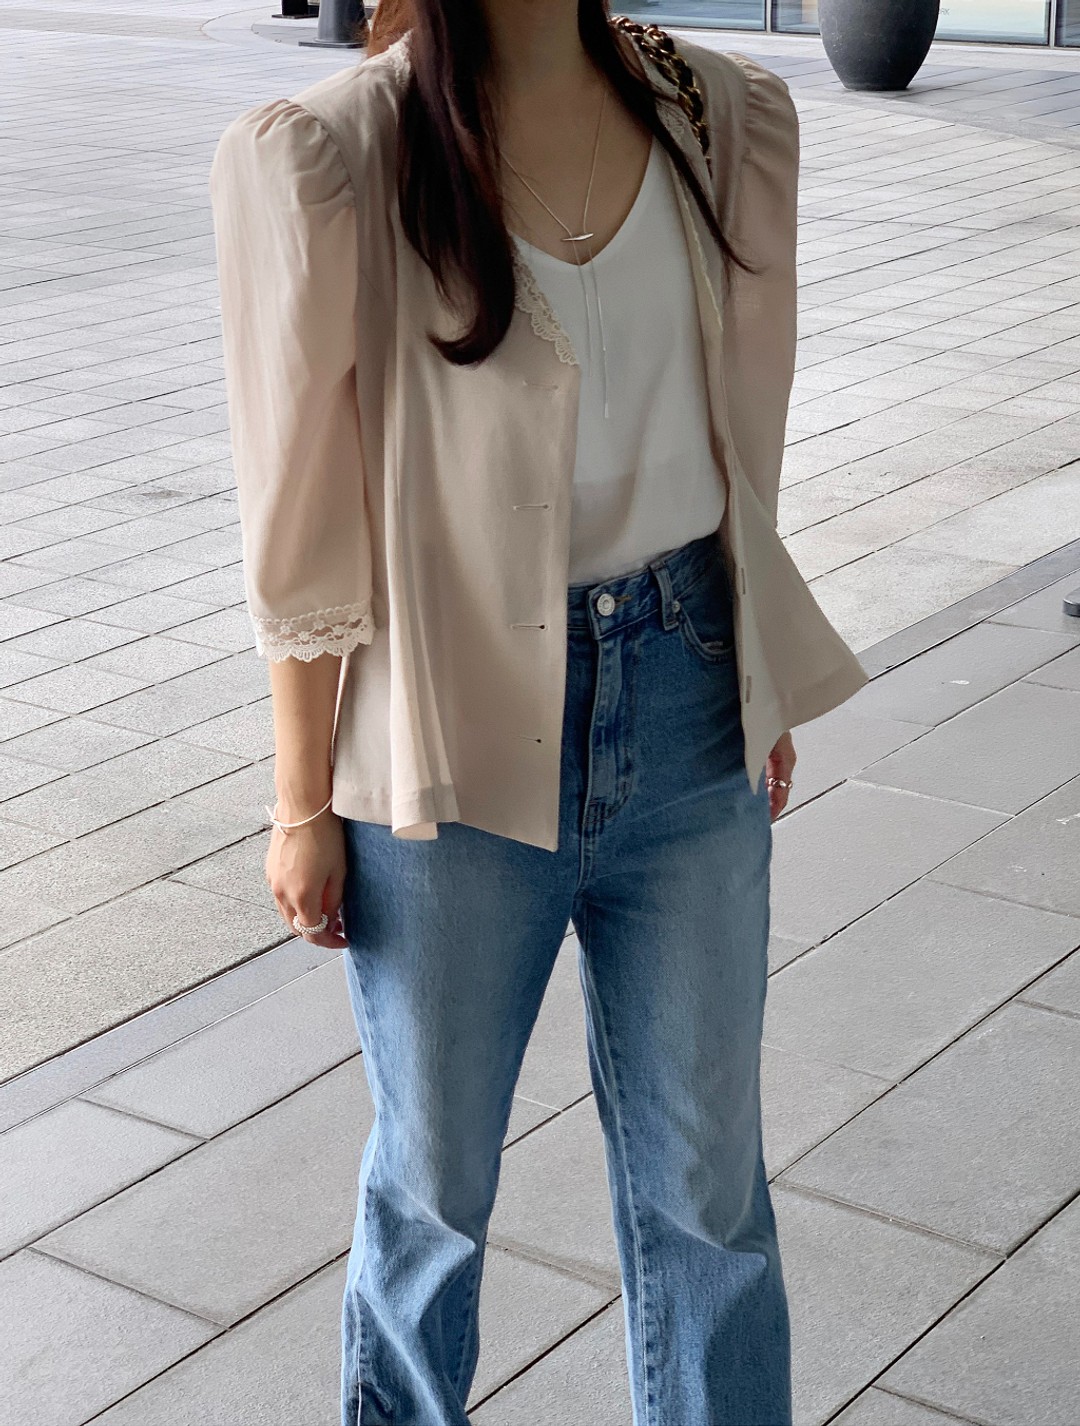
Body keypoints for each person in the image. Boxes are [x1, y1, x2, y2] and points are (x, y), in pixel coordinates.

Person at [208, 0, 869, 1420]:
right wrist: (300, 799)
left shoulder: (715, 113)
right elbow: (300, 516)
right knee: (433, 1190)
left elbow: (733, 429)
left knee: (710, 1194)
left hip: (689, 694)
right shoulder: (339, 154)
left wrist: (753, 665)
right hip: (445, 738)